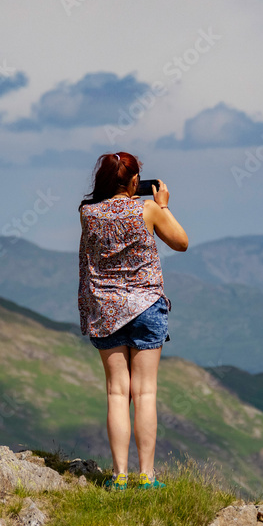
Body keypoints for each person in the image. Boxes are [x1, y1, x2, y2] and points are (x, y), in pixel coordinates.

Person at [78, 152, 189, 490]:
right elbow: (181, 243)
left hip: (105, 310)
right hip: (146, 307)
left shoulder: (87, 213)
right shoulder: (148, 209)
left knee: (116, 393)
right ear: (134, 182)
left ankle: (119, 475)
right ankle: (148, 477)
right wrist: (164, 205)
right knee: (145, 393)